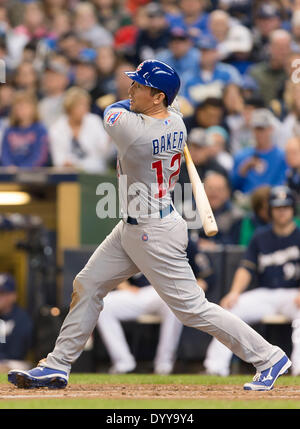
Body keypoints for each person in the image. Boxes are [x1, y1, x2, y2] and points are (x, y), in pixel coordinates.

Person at [8, 60, 291, 392]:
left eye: (140, 86)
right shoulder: (177, 123)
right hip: (133, 226)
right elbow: (159, 109)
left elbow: (112, 109)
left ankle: (268, 357)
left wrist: (150, 104)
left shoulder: (134, 131)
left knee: (192, 309)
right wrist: (165, 104)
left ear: (158, 97)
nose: (131, 90)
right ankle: (58, 364)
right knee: (88, 284)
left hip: (153, 231)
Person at [204, 186, 300, 377]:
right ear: (270, 210)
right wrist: (234, 292)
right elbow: (246, 268)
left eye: (286, 207)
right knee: (230, 309)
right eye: (277, 207)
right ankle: (215, 367)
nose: (282, 211)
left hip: (294, 294)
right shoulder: (260, 236)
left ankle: (298, 369)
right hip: (266, 293)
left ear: (292, 209)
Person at [97, 238, 213, 375]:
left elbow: (207, 274)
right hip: (141, 292)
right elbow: (114, 268)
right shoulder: (134, 234)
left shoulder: (182, 236)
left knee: (173, 303)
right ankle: (123, 363)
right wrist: (124, 286)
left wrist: (193, 290)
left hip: (170, 290)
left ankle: (163, 365)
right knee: (104, 304)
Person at [48, 87, 110, 174]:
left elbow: (104, 152)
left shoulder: (94, 121)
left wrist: (110, 138)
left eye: (86, 105)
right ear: (70, 107)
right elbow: (58, 160)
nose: (86, 109)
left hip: (95, 172)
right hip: (68, 176)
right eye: (81, 105)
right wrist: (68, 165)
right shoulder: (56, 128)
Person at [231, 108, 288, 194]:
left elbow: (283, 184)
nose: (259, 133)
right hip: (246, 203)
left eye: (263, 129)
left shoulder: (282, 157)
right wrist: (243, 170)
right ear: (252, 130)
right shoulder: (241, 156)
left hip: (272, 202)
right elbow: (232, 186)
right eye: (257, 129)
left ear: (271, 129)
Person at [1, 91, 49, 168]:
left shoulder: (40, 130)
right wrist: (9, 166)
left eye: (25, 107)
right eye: (18, 107)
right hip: (11, 173)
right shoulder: (9, 130)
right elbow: (5, 154)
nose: (22, 111)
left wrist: (23, 169)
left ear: (33, 108)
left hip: (34, 174)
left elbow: (40, 156)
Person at [0, 273, 33, 371]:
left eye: (2, 294)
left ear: (13, 296)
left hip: (15, 362)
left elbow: (17, 352)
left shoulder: (21, 318)